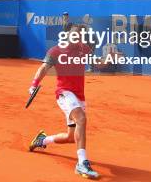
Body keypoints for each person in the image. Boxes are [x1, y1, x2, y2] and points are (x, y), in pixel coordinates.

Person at [28, 23, 99, 179]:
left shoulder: (84, 49)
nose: (78, 37)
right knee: (81, 118)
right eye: (75, 34)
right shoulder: (55, 51)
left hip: (79, 96)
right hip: (64, 93)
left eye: (81, 35)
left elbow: (97, 63)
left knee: (70, 137)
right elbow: (44, 68)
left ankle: (42, 140)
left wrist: (110, 60)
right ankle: (82, 163)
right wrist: (34, 85)